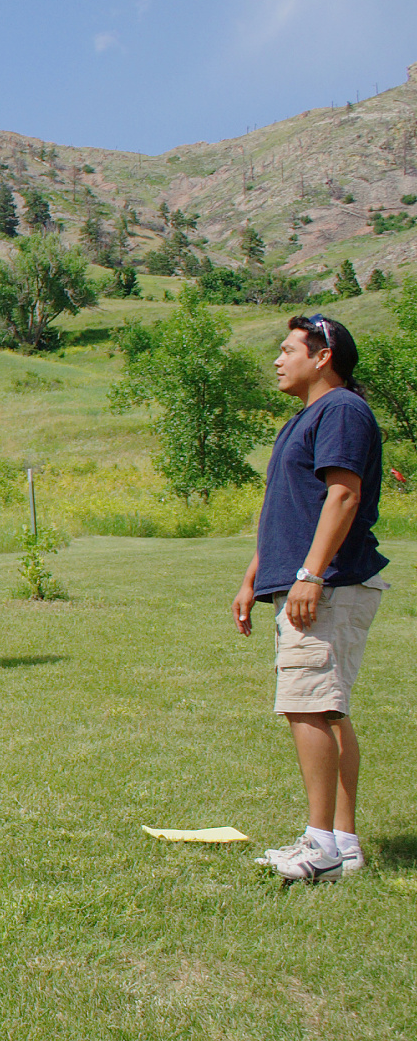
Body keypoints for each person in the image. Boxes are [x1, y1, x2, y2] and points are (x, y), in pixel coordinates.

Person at [235, 314, 389, 885]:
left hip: (327, 582)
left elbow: (343, 497)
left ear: (322, 357)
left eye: (286, 349)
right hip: (304, 579)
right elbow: (286, 507)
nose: (277, 360)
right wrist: (255, 577)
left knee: (306, 704)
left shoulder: (342, 410)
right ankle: (342, 844)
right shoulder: (306, 418)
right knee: (327, 707)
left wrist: (310, 574)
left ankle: (320, 844)